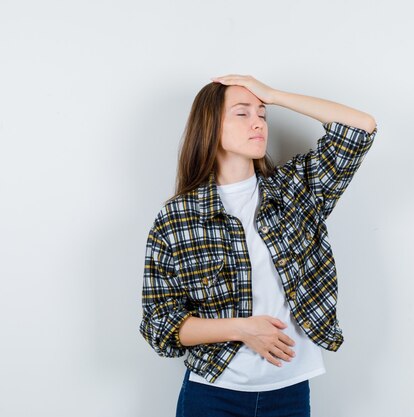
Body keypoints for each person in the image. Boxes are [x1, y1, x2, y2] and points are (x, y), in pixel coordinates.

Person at [140, 74, 378, 417]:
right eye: (242, 113)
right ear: (210, 126)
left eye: (262, 115)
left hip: (290, 392)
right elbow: (159, 324)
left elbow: (361, 128)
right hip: (212, 394)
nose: (258, 124)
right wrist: (242, 329)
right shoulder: (178, 217)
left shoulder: (295, 191)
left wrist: (273, 94)